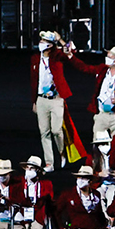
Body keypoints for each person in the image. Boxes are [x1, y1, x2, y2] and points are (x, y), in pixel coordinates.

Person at [66, 46, 115, 140]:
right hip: (101, 114)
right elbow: (85, 68)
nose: (106, 59)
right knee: (98, 142)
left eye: (109, 57)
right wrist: (71, 57)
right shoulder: (102, 70)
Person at [31, 31, 72, 171]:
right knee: (44, 132)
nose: (40, 43)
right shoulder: (35, 59)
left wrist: (60, 39)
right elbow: (33, 81)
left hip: (56, 99)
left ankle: (61, 152)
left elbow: (71, 52)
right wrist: (34, 101)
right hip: (41, 98)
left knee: (56, 130)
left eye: (44, 41)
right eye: (40, 40)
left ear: (50, 45)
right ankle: (49, 163)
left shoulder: (57, 57)